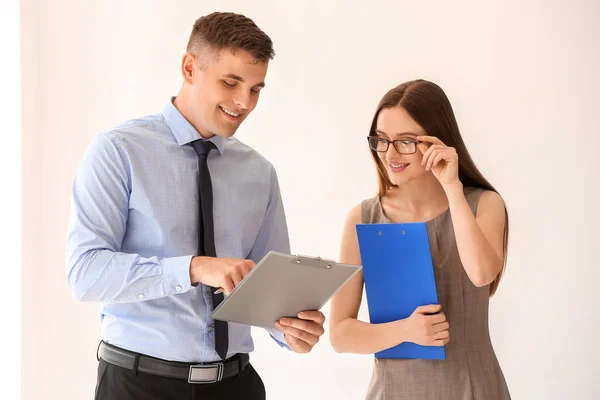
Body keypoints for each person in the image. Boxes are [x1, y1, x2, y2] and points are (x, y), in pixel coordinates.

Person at [66, 12, 325, 400]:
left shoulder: (259, 172)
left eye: (256, 89)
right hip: (139, 386)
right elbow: (84, 273)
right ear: (190, 67)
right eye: (231, 82)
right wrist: (194, 268)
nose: (244, 102)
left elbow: (266, 286)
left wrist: (291, 331)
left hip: (237, 386)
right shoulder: (118, 151)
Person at [329, 79, 511, 399]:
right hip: (393, 391)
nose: (391, 153)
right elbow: (340, 334)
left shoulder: (483, 203)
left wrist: (453, 188)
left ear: (437, 141)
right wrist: (405, 331)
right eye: (382, 140)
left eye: (407, 141)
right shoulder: (363, 218)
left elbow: (482, 273)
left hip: (473, 389)